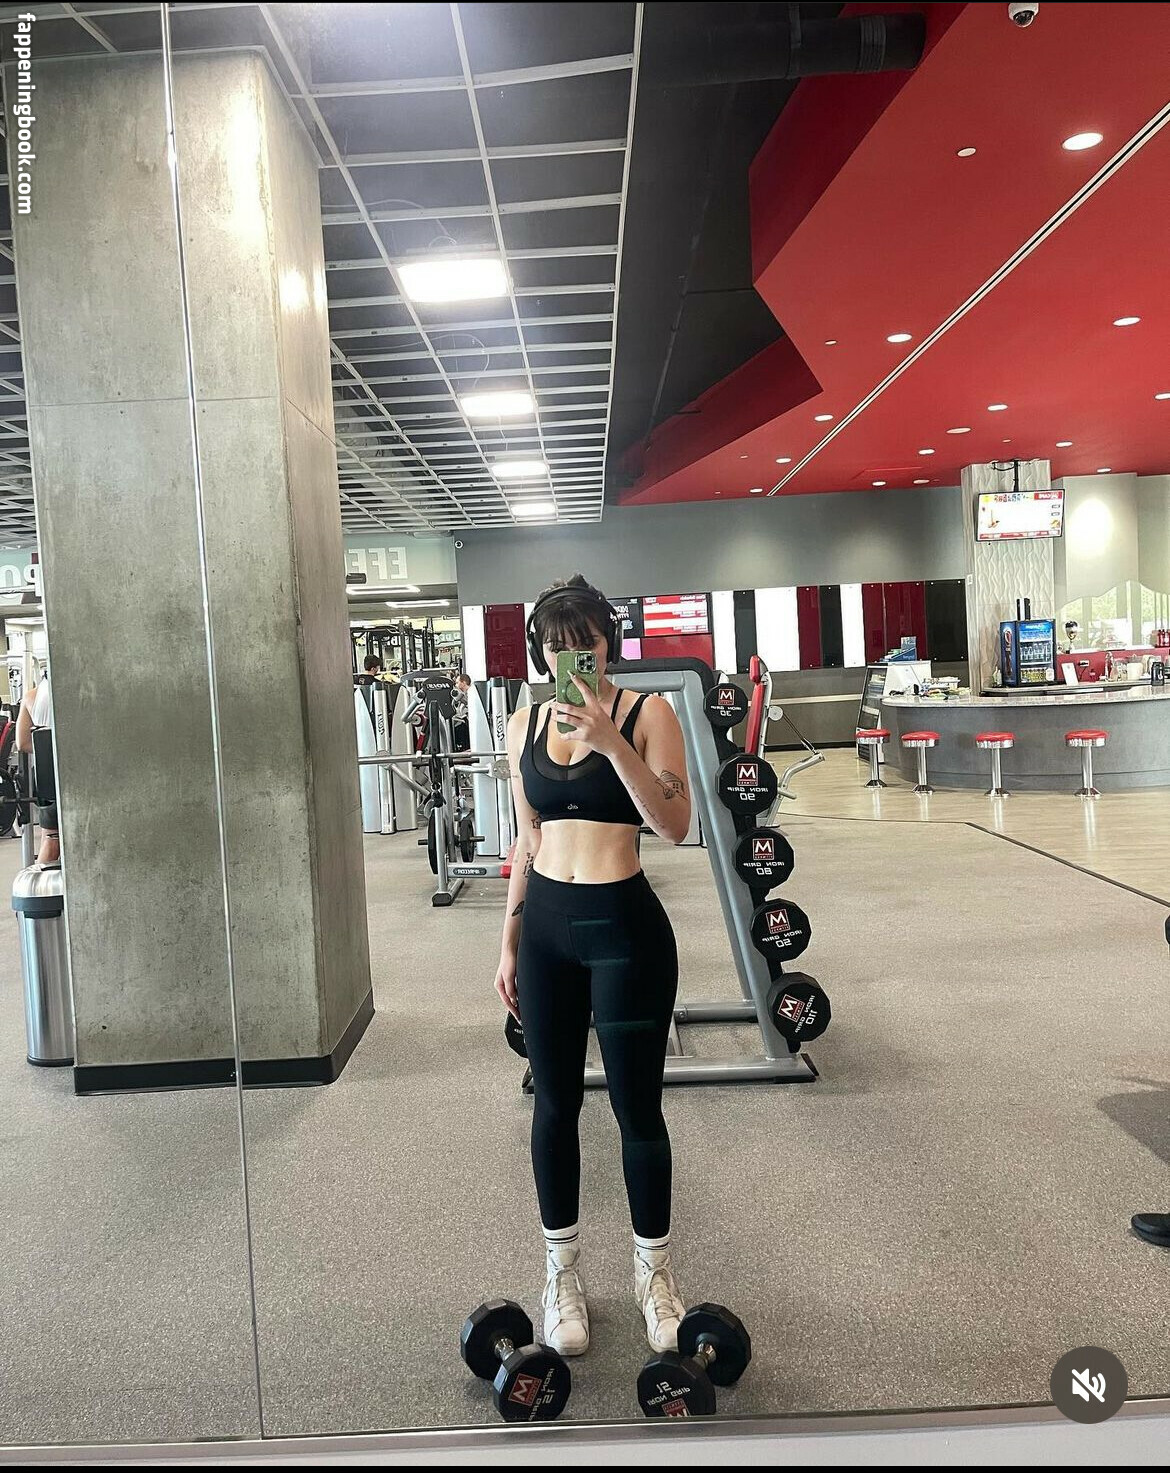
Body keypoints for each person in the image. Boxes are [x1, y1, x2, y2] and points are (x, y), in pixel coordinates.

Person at [494, 574, 692, 1360]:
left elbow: (674, 823)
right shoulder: (522, 724)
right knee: (555, 1107)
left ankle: (655, 1276)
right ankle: (562, 1275)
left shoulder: (649, 714)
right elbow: (528, 838)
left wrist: (612, 742)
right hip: (546, 930)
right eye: (557, 646)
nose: (572, 656)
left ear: (609, 644)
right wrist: (508, 942)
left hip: (625, 930)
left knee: (638, 1111)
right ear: (541, 653)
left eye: (587, 643)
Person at [16, 667, 57, 867]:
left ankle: (40, 883)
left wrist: (49, 750)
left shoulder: (31, 696)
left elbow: (22, 743)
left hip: (46, 774)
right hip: (82, 775)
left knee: (51, 839)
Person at [451, 672, 472, 751]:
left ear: (464, 682)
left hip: (468, 722)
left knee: (458, 729)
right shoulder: (463, 695)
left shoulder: (471, 693)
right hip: (464, 720)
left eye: (457, 683)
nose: (456, 685)